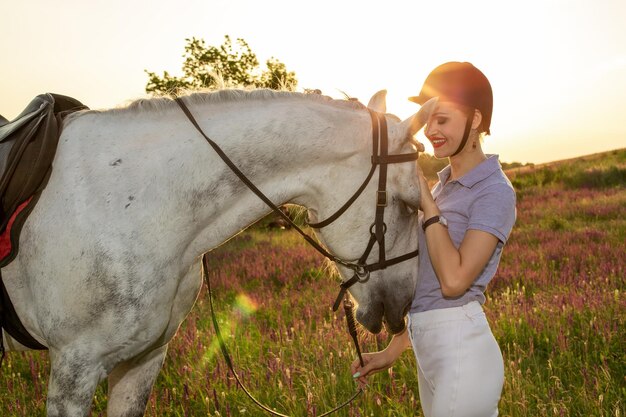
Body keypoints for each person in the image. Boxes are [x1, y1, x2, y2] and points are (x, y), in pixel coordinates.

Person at [351, 62, 516, 417]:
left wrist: (426, 203)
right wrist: (393, 350)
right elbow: (427, 285)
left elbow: (455, 281)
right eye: (428, 121)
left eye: (442, 120)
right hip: (433, 350)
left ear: (474, 120)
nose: (431, 131)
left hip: (463, 350)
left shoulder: (494, 191)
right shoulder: (443, 189)